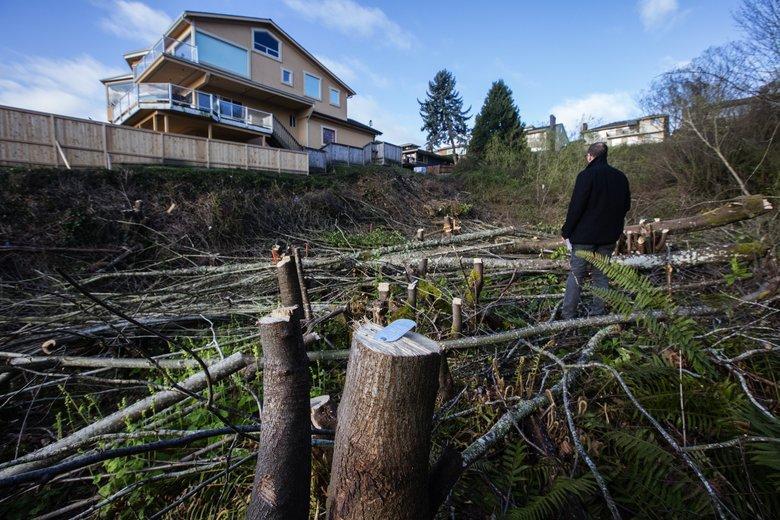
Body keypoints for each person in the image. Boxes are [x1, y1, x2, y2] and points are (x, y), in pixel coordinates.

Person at [560, 142, 631, 319]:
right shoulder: (620, 177)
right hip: (608, 237)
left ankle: (568, 315)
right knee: (601, 276)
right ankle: (597, 314)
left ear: (590, 156)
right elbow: (626, 206)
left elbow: (576, 206)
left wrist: (566, 231)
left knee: (577, 275)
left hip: (584, 237)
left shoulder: (586, 175)